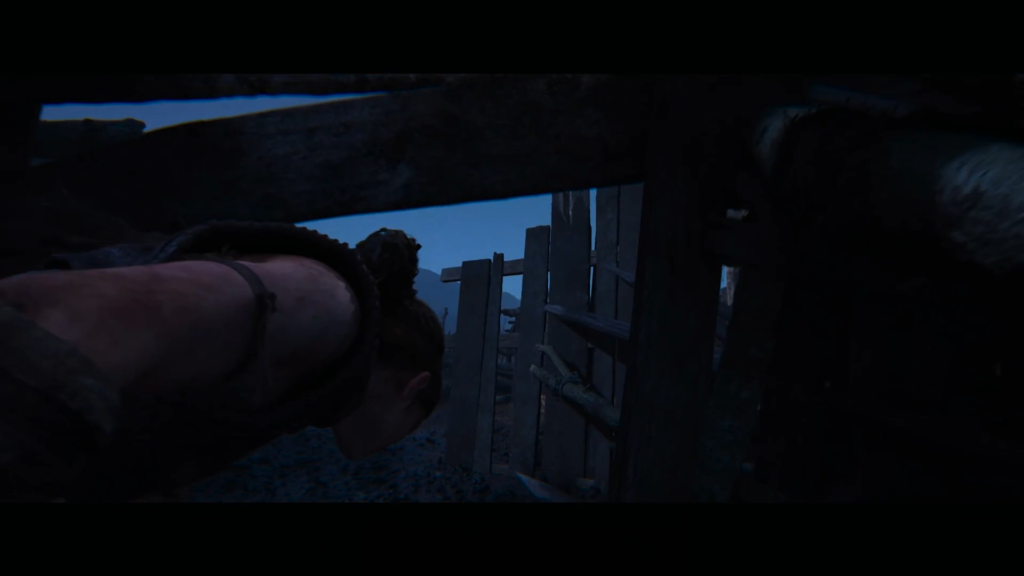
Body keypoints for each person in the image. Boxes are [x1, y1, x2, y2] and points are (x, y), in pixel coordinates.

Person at [0, 222, 444, 501]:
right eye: (410, 426)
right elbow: (85, 316)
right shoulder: (328, 304)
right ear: (413, 388)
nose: (395, 443)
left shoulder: (319, 371)